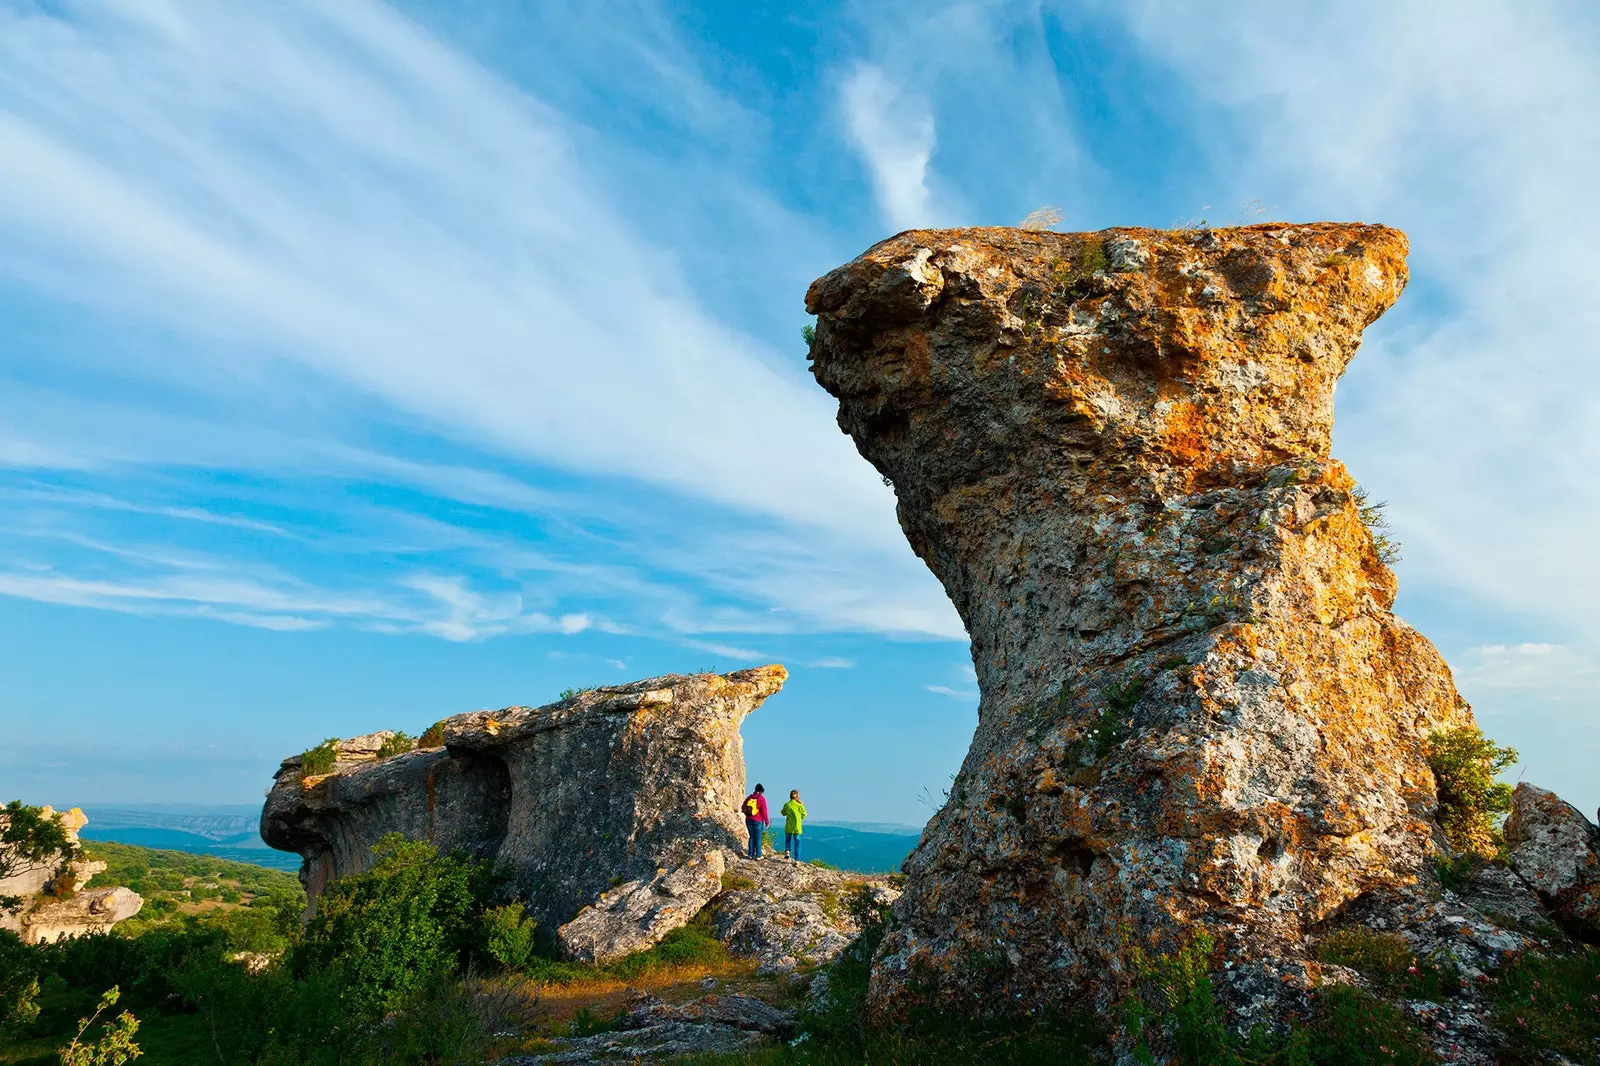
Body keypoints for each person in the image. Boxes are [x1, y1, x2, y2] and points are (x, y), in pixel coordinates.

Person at [741, 783, 768, 860]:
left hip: (748, 820)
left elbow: (743, 807)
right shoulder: (761, 799)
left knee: (751, 837)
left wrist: (746, 813)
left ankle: (750, 854)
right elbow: (764, 811)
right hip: (757, 820)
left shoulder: (749, 797)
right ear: (761, 791)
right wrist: (767, 822)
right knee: (758, 838)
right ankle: (758, 855)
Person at [780, 789, 807, 862]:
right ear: (797, 796)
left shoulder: (787, 805)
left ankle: (787, 851)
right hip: (797, 826)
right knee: (797, 843)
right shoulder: (799, 805)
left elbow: (783, 813)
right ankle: (796, 859)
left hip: (789, 826)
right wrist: (799, 817)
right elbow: (804, 815)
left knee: (788, 839)